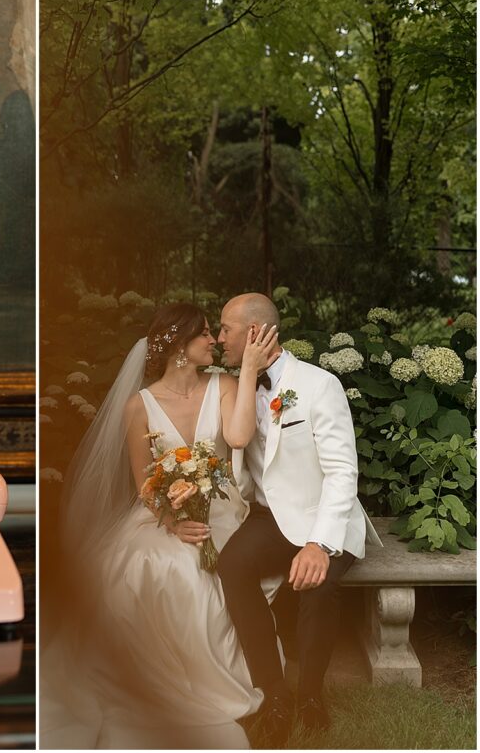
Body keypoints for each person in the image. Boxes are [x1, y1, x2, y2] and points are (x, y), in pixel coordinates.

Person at [40, 302, 279, 749]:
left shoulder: (225, 385)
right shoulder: (139, 406)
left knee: (197, 572)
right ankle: (149, 684)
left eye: (214, 332)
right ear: (181, 348)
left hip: (225, 511)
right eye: (205, 334)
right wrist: (174, 522)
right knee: (144, 563)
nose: (214, 340)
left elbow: (240, 437)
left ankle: (209, 676)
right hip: (168, 513)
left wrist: (247, 371)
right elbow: (145, 484)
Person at [216, 292, 381, 744]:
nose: (218, 337)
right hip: (270, 517)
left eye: (225, 328)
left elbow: (342, 471)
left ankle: (310, 694)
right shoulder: (237, 384)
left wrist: (318, 544)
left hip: (324, 515)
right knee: (231, 565)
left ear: (254, 332)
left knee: (318, 583)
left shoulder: (318, 384)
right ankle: (273, 693)